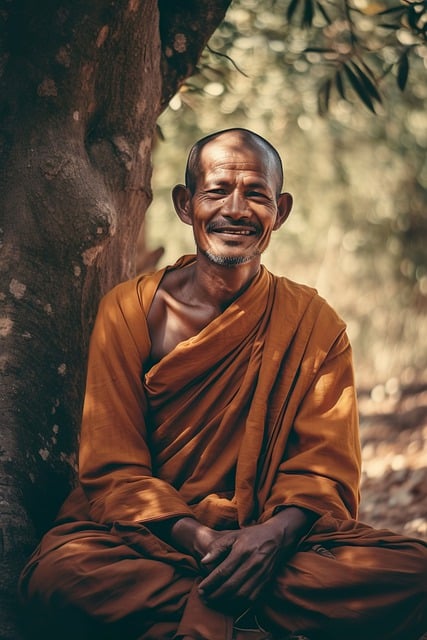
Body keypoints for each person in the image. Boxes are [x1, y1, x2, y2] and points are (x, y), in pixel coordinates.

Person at [19, 128, 427, 640]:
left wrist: (266, 540)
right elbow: (114, 467)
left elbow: (324, 469)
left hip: (269, 544)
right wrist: (202, 540)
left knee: (413, 572)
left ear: (280, 210)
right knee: (62, 576)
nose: (235, 209)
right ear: (186, 205)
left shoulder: (314, 324)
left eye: (256, 193)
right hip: (152, 538)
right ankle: (249, 620)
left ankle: (203, 617)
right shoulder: (128, 312)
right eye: (216, 191)